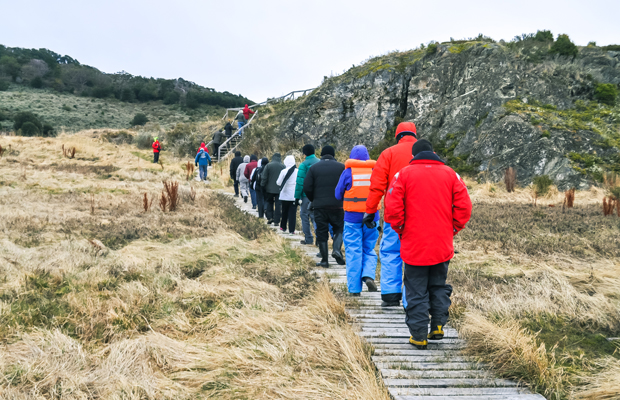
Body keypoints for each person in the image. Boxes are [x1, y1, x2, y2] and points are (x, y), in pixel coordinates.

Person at [384, 139, 472, 350]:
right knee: (438, 285)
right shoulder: (451, 174)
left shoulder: (403, 175)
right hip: (442, 244)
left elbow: (392, 209)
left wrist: (401, 230)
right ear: (433, 152)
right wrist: (452, 229)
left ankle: (419, 335)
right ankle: (438, 327)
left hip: (414, 244)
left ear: (413, 156)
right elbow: (465, 207)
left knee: (416, 289)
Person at [363, 121, 418, 307]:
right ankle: (411, 298)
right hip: (420, 217)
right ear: (415, 135)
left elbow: (376, 187)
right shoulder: (427, 154)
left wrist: (370, 211)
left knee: (390, 251)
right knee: (415, 256)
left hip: (394, 215)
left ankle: (390, 295)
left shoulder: (388, 154)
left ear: (397, 135)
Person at [335, 145, 379, 295]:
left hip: (352, 218)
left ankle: (354, 289)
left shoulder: (347, 173)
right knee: (369, 249)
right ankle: (368, 275)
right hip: (372, 217)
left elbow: (337, 194)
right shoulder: (375, 171)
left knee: (353, 251)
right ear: (367, 157)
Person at [303, 146, 345, 268]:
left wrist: (313, 199)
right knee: (339, 228)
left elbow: (307, 187)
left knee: (321, 232)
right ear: (333, 155)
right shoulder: (341, 167)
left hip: (319, 206)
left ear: (321, 155)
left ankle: (325, 261)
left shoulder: (314, 168)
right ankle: (336, 249)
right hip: (337, 206)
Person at [295, 144, 320, 245]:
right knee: (316, 217)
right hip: (318, 195)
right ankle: (319, 239)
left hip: (306, 196)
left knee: (304, 215)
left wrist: (296, 197)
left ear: (304, 154)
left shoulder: (303, 165)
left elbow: (300, 183)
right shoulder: (320, 162)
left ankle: (308, 238)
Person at [261, 153, 285, 225]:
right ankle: (277, 220)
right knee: (278, 204)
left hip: (269, 189)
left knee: (269, 202)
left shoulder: (268, 166)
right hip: (279, 189)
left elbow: (264, 177)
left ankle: (270, 217)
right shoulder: (283, 166)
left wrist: (263, 185)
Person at [277, 155, 298, 234]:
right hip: (293, 195)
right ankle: (292, 230)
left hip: (284, 195)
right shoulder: (297, 171)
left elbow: (278, 182)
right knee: (293, 213)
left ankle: (283, 227)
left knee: (284, 211)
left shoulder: (283, 171)